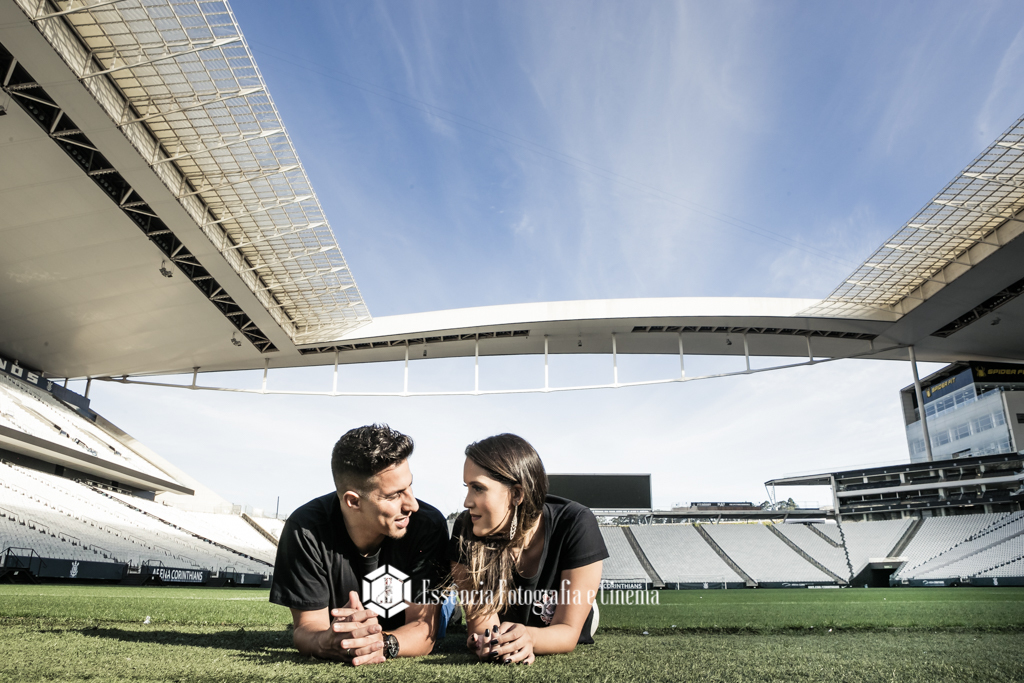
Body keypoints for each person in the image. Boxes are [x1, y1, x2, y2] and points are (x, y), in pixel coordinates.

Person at [270, 424, 449, 665]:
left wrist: (381, 644)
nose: (412, 505)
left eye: (409, 486)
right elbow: (307, 629)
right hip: (366, 619)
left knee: (444, 616)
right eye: (394, 495)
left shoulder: (427, 524)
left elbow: (423, 629)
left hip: (422, 610)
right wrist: (328, 641)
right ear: (353, 501)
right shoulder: (306, 529)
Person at [448, 433, 608, 664]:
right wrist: (491, 642)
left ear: (516, 494)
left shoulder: (576, 522)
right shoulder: (466, 528)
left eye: (478, 488)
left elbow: (567, 630)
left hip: (562, 615)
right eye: (467, 487)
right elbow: (484, 626)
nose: (467, 502)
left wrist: (529, 637)